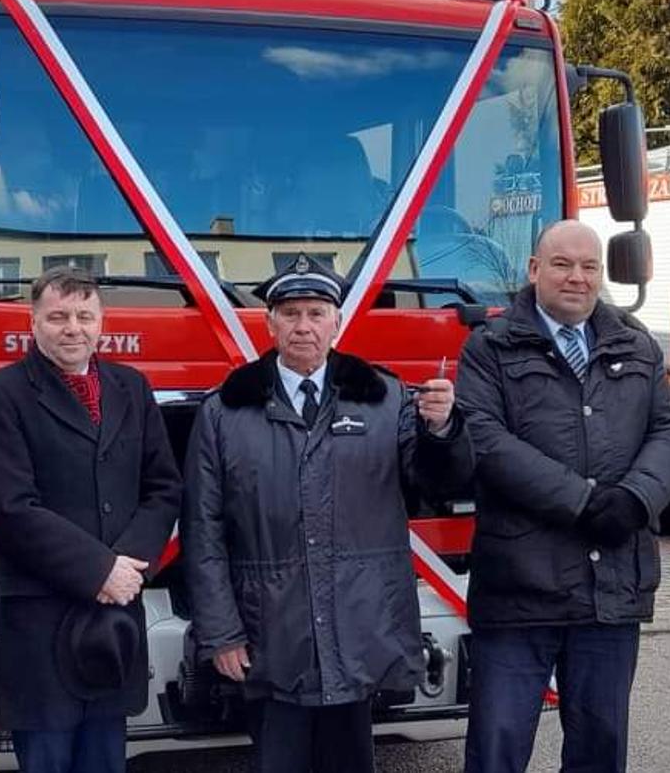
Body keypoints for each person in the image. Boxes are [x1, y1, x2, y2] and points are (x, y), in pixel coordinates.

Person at [181, 253, 473, 773]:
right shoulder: (225, 411)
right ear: (269, 323)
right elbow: (204, 531)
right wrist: (221, 633)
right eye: (290, 314)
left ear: (336, 322)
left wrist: (443, 431)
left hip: (359, 626)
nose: (303, 327)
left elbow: (435, 483)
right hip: (270, 630)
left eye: (316, 313)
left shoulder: (385, 399)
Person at [455, 219, 670, 773]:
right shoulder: (488, 348)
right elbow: (484, 440)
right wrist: (583, 501)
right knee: (497, 750)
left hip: (610, 591)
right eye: (562, 264)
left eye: (589, 267)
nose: (577, 278)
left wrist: (635, 498)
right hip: (520, 590)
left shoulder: (637, 344)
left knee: (600, 750)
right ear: (535, 270)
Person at [0, 265, 183, 773]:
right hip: (41, 620)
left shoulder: (130, 387)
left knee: (106, 760)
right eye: (59, 316)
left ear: (101, 323)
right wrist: (100, 571)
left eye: (85, 316)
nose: (73, 328)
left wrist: (130, 567)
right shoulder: (1, 395)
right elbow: (10, 507)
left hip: (114, 617)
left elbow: (164, 486)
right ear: (34, 321)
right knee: (47, 760)